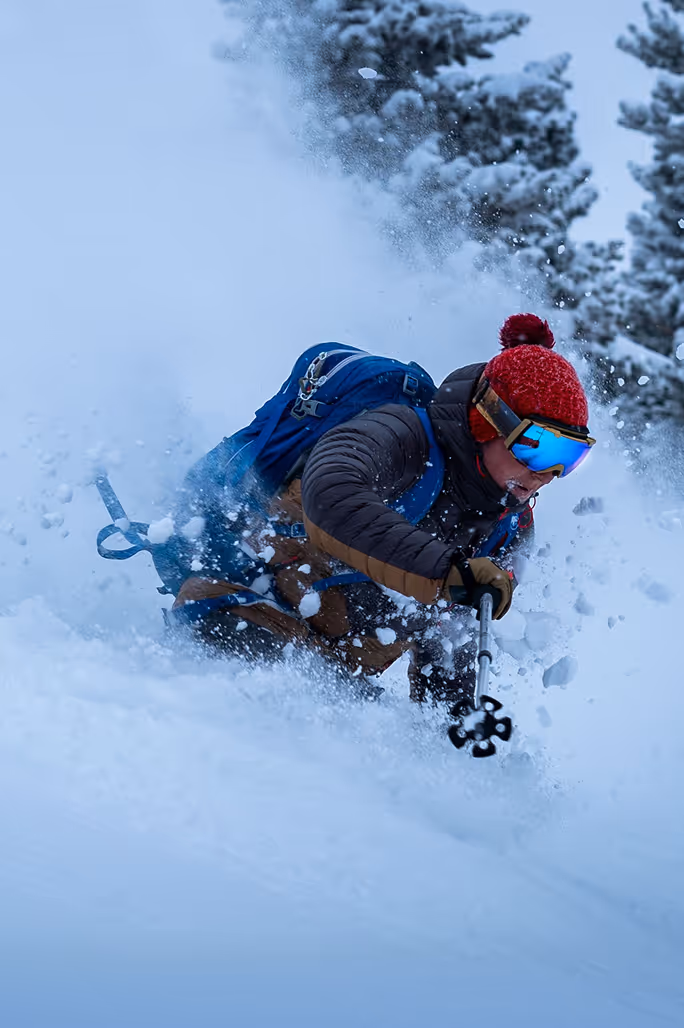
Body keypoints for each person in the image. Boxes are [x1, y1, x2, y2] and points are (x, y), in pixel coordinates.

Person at [170, 313, 594, 706]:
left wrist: (457, 732)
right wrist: (447, 572)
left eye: (571, 457)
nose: (549, 473)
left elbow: (451, 641)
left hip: (325, 681)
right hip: (237, 617)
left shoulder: (508, 528)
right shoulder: (403, 436)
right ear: (489, 420)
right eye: (539, 447)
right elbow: (332, 493)